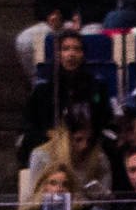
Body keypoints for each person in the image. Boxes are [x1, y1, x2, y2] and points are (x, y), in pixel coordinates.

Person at [20, 30, 115, 166]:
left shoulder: (96, 87)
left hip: (88, 145)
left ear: (83, 55)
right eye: (66, 49)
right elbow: (30, 125)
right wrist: (50, 135)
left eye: (77, 49)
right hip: (51, 146)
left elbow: (105, 121)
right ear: (58, 54)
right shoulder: (43, 90)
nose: (71, 54)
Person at [27, 105, 115, 204]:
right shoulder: (41, 156)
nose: (84, 146)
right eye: (78, 139)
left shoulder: (100, 159)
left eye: (89, 140)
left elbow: (105, 206)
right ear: (66, 137)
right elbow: (34, 198)